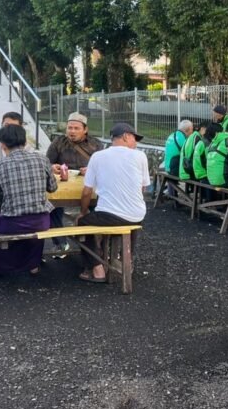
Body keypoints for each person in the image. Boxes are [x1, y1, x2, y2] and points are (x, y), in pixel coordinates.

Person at [0, 125, 57, 281]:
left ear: (2, 144)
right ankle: (33, 265)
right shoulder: (42, 159)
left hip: (12, 223)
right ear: (25, 141)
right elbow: (52, 188)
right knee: (34, 226)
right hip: (41, 221)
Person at [77, 122, 150, 282]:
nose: (136, 143)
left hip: (110, 216)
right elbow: (143, 188)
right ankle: (126, 261)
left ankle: (97, 268)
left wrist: (83, 212)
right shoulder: (141, 156)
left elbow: (87, 191)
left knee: (82, 224)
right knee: (128, 218)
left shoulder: (98, 156)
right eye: (134, 138)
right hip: (138, 214)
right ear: (125, 136)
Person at [45, 112, 103, 252]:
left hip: (89, 186)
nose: (72, 131)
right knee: (52, 208)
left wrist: (90, 170)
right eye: (70, 128)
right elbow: (47, 162)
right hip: (62, 185)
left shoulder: (96, 144)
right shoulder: (58, 142)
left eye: (76, 128)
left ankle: (96, 246)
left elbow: (103, 166)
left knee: (98, 209)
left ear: (85, 130)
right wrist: (53, 167)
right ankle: (60, 243)